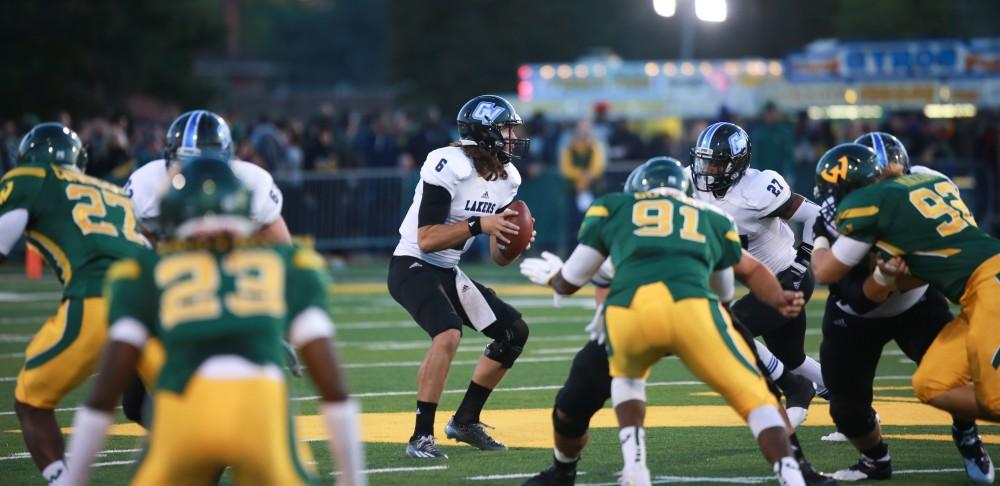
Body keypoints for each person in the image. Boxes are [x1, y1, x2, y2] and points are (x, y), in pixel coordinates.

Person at [519, 158, 835, 486]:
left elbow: (580, 276)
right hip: (696, 311)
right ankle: (796, 471)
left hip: (632, 313)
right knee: (759, 395)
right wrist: (771, 300)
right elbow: (732, 285)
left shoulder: (613, 211)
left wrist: (558, 279)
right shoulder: (711, 218)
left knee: (590, 393)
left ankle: (591, 468)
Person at [63, 158, 364, 485]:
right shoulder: (289, 264)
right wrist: (352, 479)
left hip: (183, 405)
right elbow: (332, 385)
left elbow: (104, 393)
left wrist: (72, 479)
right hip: (258, 406)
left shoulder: (141, 272)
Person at [811, 142, 995, 483]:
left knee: (957, 380)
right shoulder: (842, 219)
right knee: (848, 409)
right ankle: (875, 459)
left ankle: (967, 435)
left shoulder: (905, 196)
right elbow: (857, 297)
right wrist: (883, 276)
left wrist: (900, 276)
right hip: (855, 317)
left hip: (920, 305)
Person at [0, 123, 158, 485]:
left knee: (31, 402)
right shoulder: (112, 191)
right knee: (180, 403)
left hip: (97, 299)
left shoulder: (30, 177)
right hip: (155, 302)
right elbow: (147, 249)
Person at [121, 110, 295, 425]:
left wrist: (271, 319)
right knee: (135, 405)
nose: (195, 173)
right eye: (185, 162)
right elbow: (133, 248)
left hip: (227, 297)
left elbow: (282, 251)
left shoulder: (251, 184)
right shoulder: (148, 186)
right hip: (172, 295)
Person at [388, 94, 534, 459]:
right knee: (448, 332)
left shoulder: (506, 178)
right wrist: (480, 224)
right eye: (505, 128)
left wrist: (512, 242)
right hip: (413, 262)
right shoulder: (447, 163)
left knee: (513, 332)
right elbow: (427, 238)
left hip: (448, 269)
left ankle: (466, 421)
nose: (512, 136)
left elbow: (498, 258)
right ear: (484, 132)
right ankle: (421, 436)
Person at [689, 122, 825, 416]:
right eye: (704, 160)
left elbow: (816, 215)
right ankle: (854, 407)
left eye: (716, 163)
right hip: (764, 282)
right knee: (793, 358)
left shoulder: (757, 190)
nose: (707, 169)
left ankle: (795, 389)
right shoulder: (693, 184)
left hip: (789, 276)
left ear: (736, 164)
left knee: (730, 329)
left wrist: (804, 257)